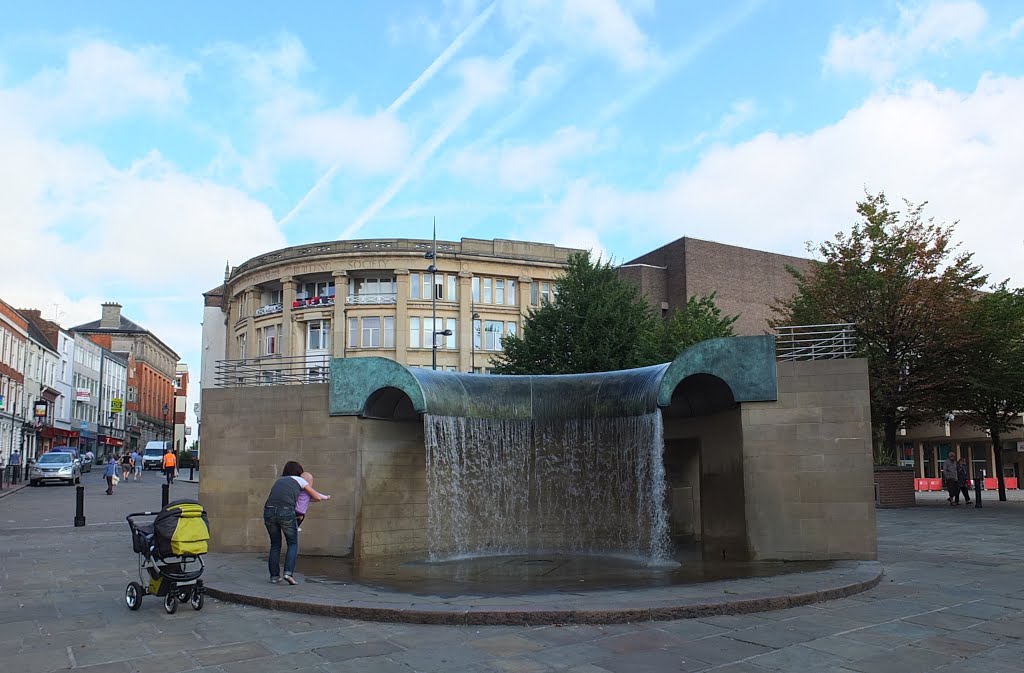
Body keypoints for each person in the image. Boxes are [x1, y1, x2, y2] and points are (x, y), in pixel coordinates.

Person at [263, 461, 330, 585]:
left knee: (275, 544)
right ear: (299, 472)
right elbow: (317, 497)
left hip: (269, 511)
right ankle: (288, 573)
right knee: (292, 544)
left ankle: (274, 576)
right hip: (286, 511)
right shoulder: (300, 480)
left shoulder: (279, 481)